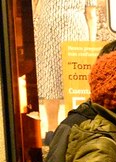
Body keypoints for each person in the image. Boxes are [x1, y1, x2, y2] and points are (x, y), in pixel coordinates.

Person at [33, 0, 97, 135]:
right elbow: (35, 6)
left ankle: (78, 129)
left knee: (76, 82)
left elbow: (91, 14)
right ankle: (52, 130)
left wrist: (91, 47)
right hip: (48, 33)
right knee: (50, 79)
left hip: (75, 33)